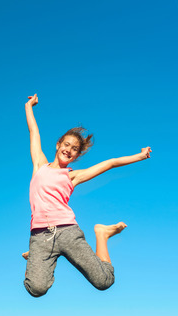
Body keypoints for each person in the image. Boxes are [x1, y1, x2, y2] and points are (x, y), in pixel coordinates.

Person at [23, 94, 151, 297]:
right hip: (40, 236)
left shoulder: (73, 176)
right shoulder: (40, 165)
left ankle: (102, 234)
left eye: (75, 149)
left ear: (77, 155)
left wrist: (140, 156)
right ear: (58, 145)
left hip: (67, 231)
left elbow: (109, 163)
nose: (69, 150)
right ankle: (36, 257)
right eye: (66, 145)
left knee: (104, 281)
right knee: (36, 289)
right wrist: (29, 105)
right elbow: (33, 131)